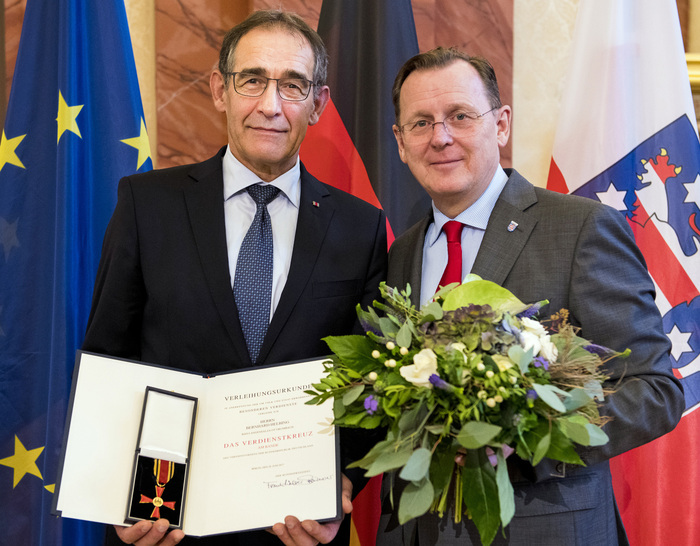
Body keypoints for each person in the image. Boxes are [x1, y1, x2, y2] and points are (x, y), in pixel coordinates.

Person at [81, 9, 387, 546]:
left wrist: (341, 486)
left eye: (292, 85)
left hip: (298, 528)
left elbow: (373, 384)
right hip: (165, 524)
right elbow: (109, 358)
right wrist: (122, 494)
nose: (270, 106)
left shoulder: (361, 227)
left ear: (318, 104)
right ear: (220, 91)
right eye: (252, 81)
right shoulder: (146, 204)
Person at [376, 47, 684, 545]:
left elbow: (654, 391)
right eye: (421, 123)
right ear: (400, 142)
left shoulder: (579, 228)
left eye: (460, 116)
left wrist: (524, 438)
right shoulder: (402, 249)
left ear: (500, 125)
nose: (441, 137)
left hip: (545, 528)